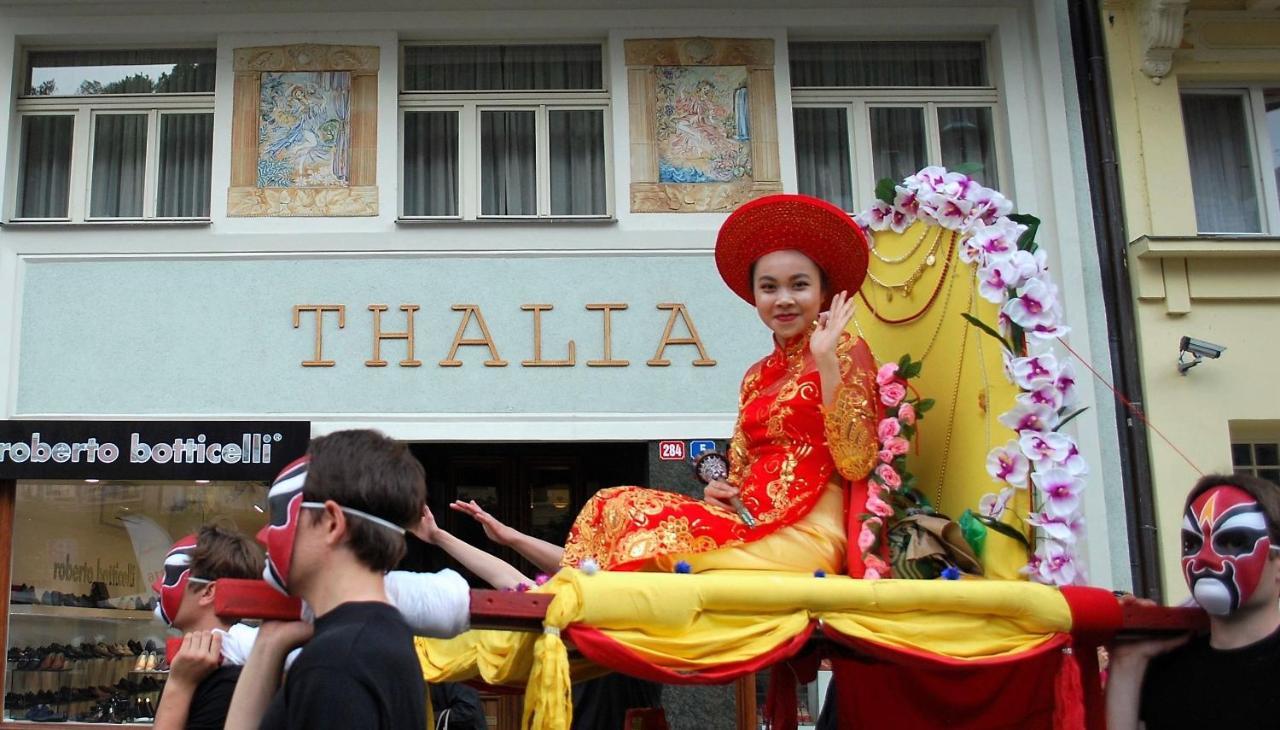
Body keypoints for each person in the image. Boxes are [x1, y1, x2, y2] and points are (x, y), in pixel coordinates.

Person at [519, 194, 878, 577]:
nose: (784, 300)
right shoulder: (757, 375)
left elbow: (857, 462)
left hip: (806, 533)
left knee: (630, 515)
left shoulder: (844, 352)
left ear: (823, 293)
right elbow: (738, 473)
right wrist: (722, 494)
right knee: (608, 502)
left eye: (799, 285)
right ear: (755, 296)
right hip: (750, 523)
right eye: (769, 288)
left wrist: (824, 362)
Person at [225, 430, 430, 730]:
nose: (263, 535)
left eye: (281, 514)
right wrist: (269, 644)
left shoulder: (337, 664)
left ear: (332, 523)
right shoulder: (378, 637)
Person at [1105, 473, 1280, 730]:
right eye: (1192, 543)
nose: (1204, 558)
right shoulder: (1163, 669)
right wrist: (1128, 661)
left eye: (1232, 541)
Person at [151, 524, 264, 730]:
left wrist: (178, 686)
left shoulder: (228, 684)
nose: (157, 585)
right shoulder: (194, 669)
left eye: (170, 574)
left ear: (207, 592)